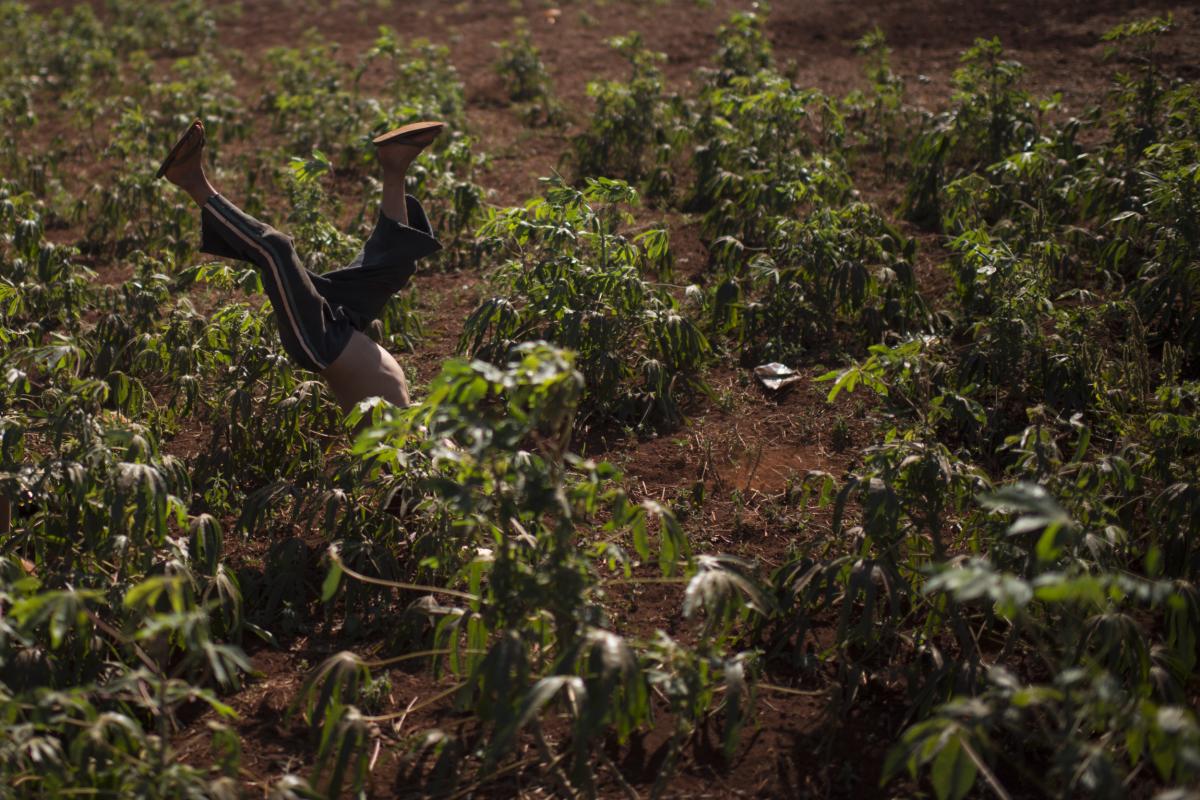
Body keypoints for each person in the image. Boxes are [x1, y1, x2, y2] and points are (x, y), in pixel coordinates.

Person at [156, 118, 444, 413]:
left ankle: (191, 179)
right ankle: (394, 166)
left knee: (275, 249)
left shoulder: (390, 453)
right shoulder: (419, 440)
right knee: (393, 266)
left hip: (321, 342)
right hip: (346, 323)